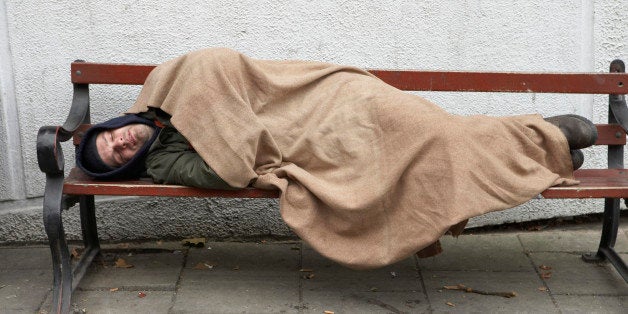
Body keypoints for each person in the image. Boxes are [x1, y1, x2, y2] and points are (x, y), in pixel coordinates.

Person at [76, 48, 598, 269]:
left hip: (331, 98)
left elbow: (221, 66)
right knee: (433, 152)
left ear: (116, 124)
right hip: (309, 141)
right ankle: (544, 143)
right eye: (116, 157)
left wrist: (214, 105)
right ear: (128, 164)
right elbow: (228, 170)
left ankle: (543, 139)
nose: (121, 145)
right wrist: (228, 137)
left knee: (434, 129)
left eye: (112, 138)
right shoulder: (166, 162)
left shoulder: (162, 84)